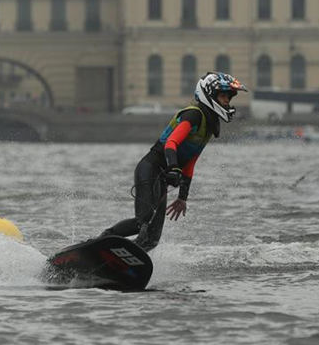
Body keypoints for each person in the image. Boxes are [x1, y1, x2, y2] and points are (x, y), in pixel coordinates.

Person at [100, 72, 248, 252]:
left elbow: (191, 161)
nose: (227, 101)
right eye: (223, 96)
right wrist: (173, 167)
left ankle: (122, 258)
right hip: (150, 168)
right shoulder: (194, 115)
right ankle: (102, 240)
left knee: (152, 238)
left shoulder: (209, 125)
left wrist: (182, 197)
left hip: (163, 177)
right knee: (143, 221)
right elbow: (171, 143)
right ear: (209, 95)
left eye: (228, 97)